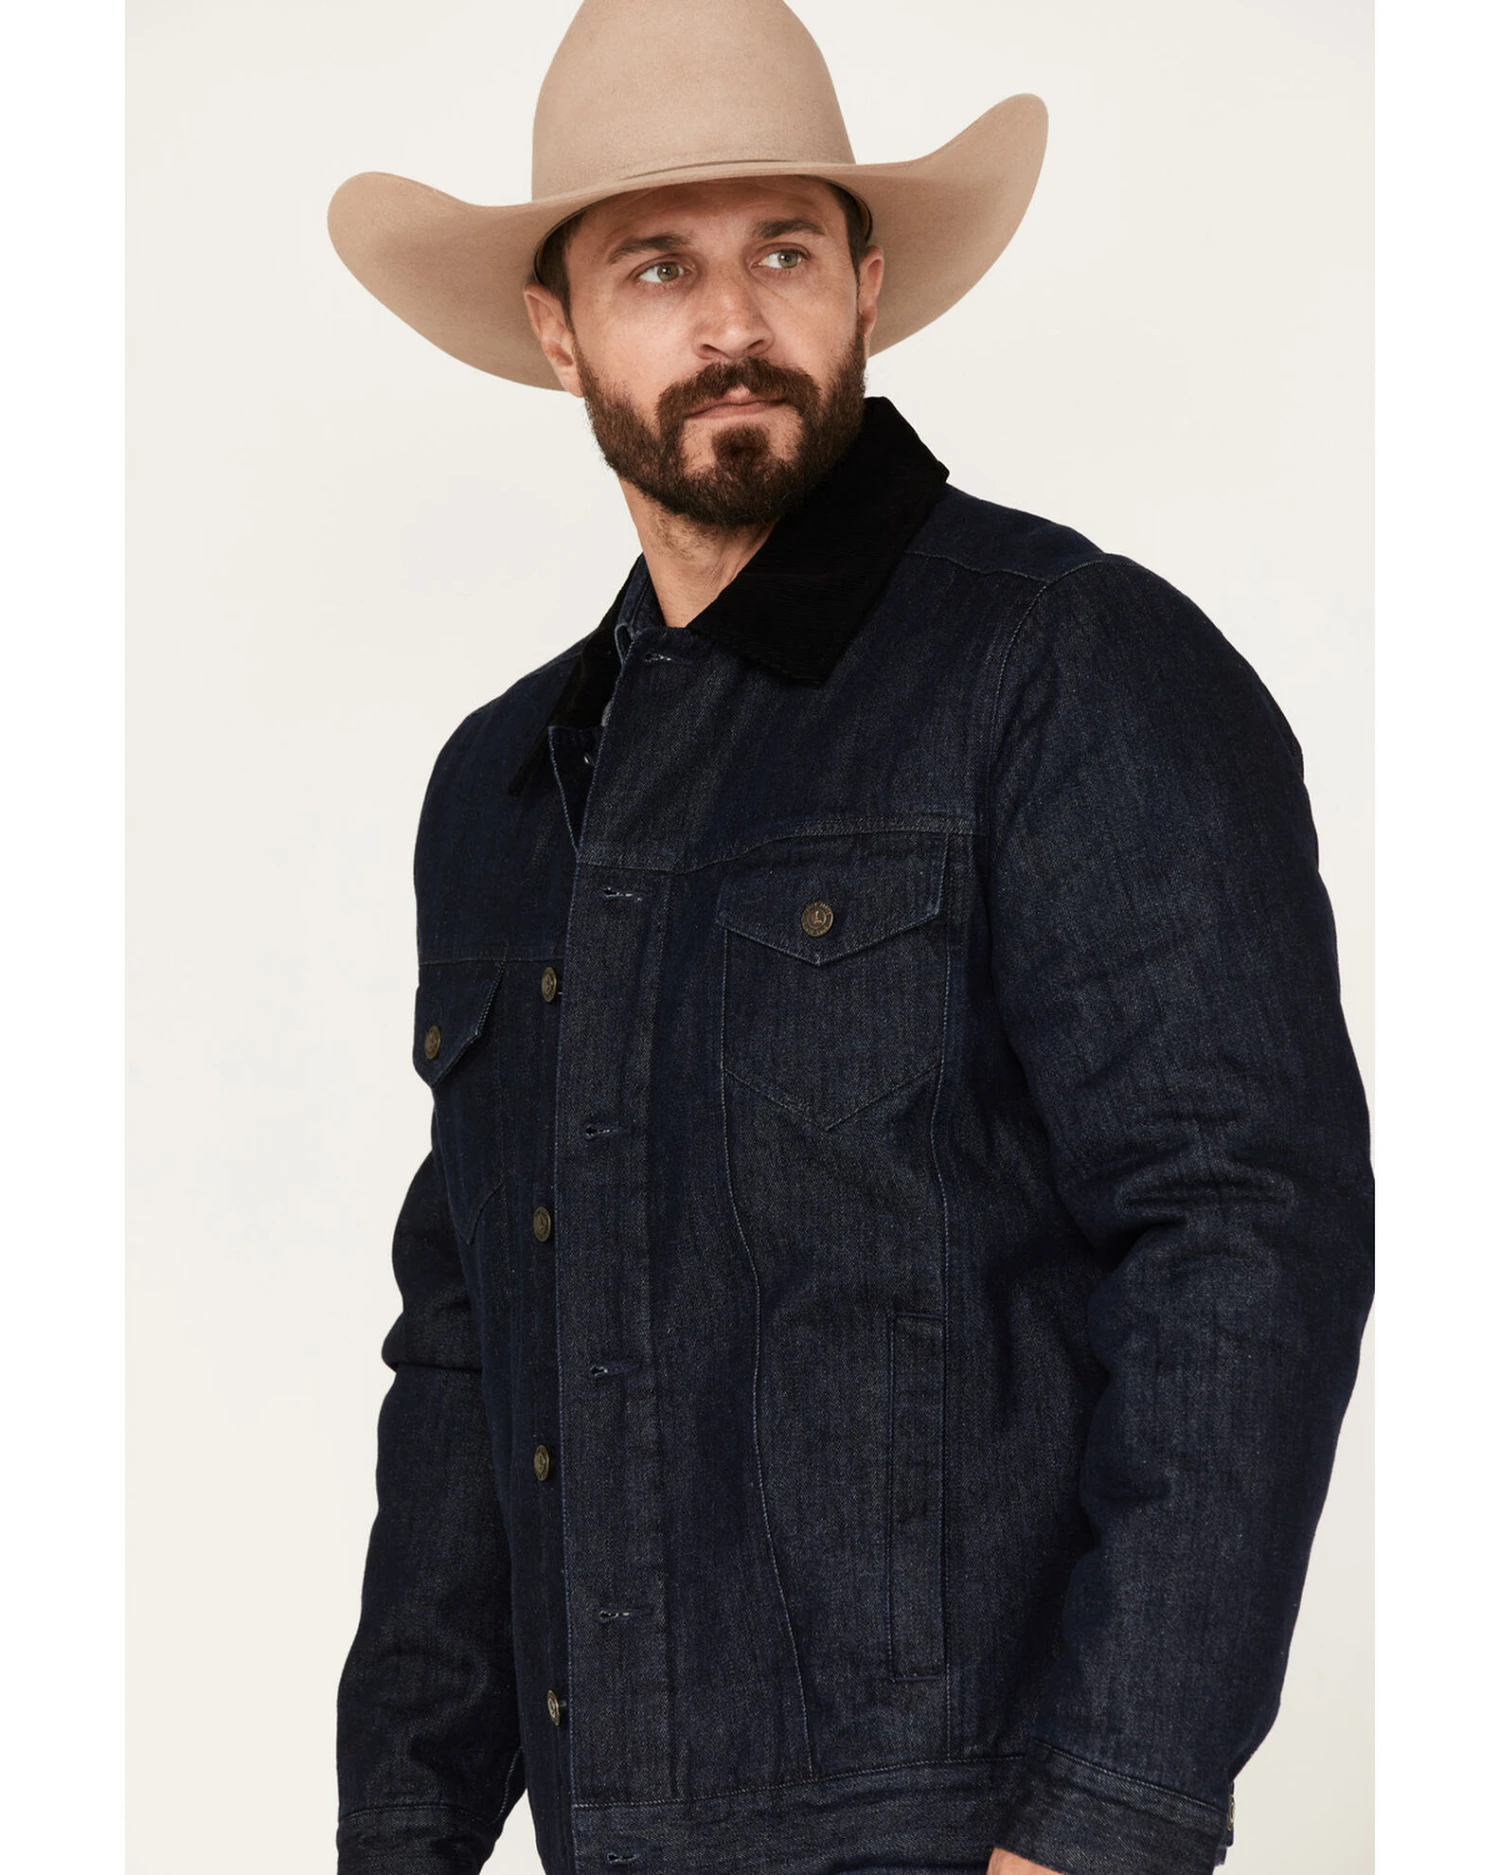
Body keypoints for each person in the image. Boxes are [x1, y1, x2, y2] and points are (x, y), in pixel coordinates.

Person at [325, 4, 1374, 1874]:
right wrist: (401, 1826)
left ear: (868, 285)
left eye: (786, 254)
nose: (733, 321)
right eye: (659, 266)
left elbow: (1243, 1233)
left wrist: (1099, 1826)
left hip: (965, 1830)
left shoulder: (1065, 665)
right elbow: (473, 1346)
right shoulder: (505, 784)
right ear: (560, 329)